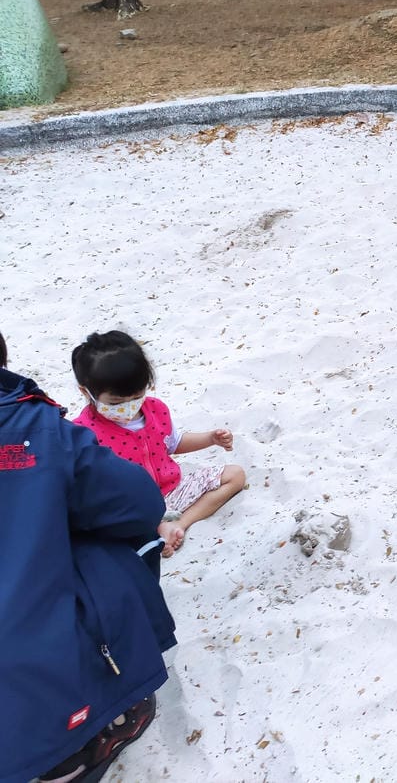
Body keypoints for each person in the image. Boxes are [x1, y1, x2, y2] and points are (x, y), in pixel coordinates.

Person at [0, 331, 175, 783]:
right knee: (109, 554)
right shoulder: (35, 427)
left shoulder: (151, 415)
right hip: (25, 638)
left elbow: (169, 447)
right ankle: (70, 749)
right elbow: (138, 503)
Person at [72, 331, 246, 559]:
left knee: (235, 474)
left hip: (172, 491)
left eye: (136, 396)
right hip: (133, 508)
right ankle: (156, 532)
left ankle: (180, 523)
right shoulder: (84, 432)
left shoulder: (156, 410)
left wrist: (210, 439)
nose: (128, 407)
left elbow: (174, 443)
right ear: (86, 392)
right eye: (116, 402)